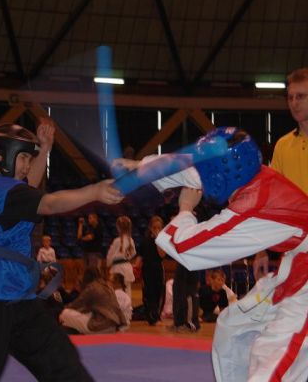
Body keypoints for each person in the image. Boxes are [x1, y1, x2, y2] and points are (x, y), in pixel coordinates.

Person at [0, 122, 123, 382]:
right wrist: (94, 191)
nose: (28, 165)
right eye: (24, 157)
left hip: (16, 297)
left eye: (30, 158)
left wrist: (44, 149)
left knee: (61, 363)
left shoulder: (0, 189)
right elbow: (49, 203)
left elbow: (28, 187)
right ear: (2, 154)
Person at [150, 127, 308, 381]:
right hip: (295, 270)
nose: (202, 177)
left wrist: (185, 209)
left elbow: (188, 248)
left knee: (275, 364)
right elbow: (189, 169)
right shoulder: (255, 176)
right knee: (232, 327)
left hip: (304, 287)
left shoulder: (252, 205)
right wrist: (138, 169)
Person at [271, 67, 308, 195]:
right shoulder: (282, 145)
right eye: (290, 98)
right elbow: (275, 194)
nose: (294, 103)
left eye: (300, 96)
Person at [59, 266, 127, 334]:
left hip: (101, 326)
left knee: (64, 313)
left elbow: (76, 305)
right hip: (114, 326)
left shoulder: (92, 287)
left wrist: (61, 309)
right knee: (84, 313)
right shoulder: (108, 287)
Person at [137, 215, 166, 326]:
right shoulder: (145, 241)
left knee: (158, 293)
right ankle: (150, 317)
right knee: (148, 294)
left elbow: (162, 255)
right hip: (146, 270)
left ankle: (156, 316)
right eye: (154, 227)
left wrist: (158, 240)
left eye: (159, 227)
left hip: (158, 270)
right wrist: (136, 268)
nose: (156, 230)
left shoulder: (162, 241)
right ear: (150, 228)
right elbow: (140, 257)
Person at [106, 215, 136, 298]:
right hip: (127, 267)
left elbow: (110, 256)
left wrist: (108, 265)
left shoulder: (116, 241)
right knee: (127, 290)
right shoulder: (131, 240)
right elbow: (133, 253)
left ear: (118, 228)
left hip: (117, 268)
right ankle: (127, 304)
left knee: (116, 291)